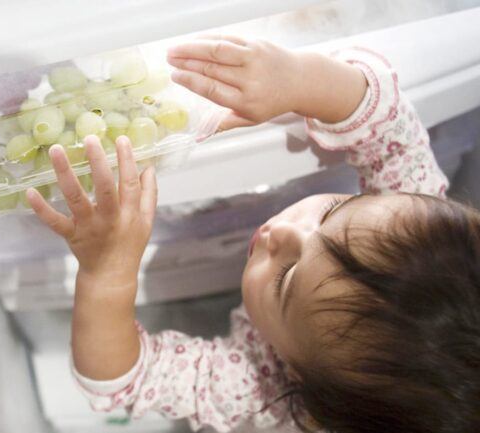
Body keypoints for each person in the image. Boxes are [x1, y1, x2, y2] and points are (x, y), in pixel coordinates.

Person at [24, 36, 480, 432]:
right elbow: (388, 121)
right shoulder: (416, 236)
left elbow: (120, 382)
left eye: (286, 280)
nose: (282, 229)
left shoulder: (262, 390)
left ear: (298, 377)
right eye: (337, 210)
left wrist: (108, 273)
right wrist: (300, 80)